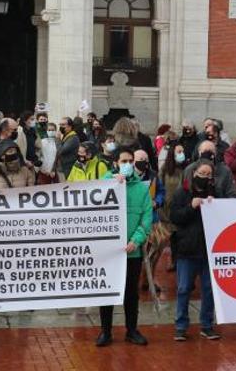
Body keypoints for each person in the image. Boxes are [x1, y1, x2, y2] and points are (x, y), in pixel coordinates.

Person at [97, 147, 152, 347]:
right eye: (124, 161)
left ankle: (131, 330)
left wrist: (135, 240)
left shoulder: (142, 189)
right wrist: (110, 183)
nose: (128, 164)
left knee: (131, 293)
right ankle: (105, 331)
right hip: (108, 253)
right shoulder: (103, 185)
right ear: (115, 163)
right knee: (107, 292)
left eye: (131, 161)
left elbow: (146, 218)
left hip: (132, 252)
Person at [171, 159, 221, 341]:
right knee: (184, 288)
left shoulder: (215, 194)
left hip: (209, 249)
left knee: (208, 288)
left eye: (209, 175)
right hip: (187, 249)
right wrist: (191, 207)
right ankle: (181, 326)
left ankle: (207, 325)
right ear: (194, 174)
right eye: (202, 174)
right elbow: (175, 217)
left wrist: (215, 206)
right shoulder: (181, 194)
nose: (205, 178)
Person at [133, 149, 166, 292]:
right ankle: (134, 281)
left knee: (156, 250)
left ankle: (149, 279)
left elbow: (161, 191)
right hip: (134, 220)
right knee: (135, 254)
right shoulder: (127, 176)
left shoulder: (153, 175)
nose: (143, 162)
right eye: (139, 159)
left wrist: (157, 202)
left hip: (152, 219)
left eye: (145, 159)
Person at [159, 142, 187, 271]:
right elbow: (160, 187)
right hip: (168, 208)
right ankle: (173, 260)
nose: (181, 155)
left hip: (183, 207)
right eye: (178, 152)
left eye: (182, 152)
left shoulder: (187, 169)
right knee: (171, 237)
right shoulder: (165, 170)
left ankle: (179, 262)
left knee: (181, 237)